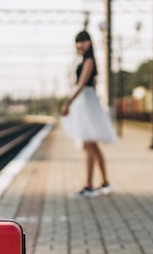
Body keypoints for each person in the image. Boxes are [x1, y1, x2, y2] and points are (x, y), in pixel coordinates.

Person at [61, 30, 118, 198]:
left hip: (85, 103)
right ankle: (104, 182)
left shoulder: (89, 60)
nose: (80, 45)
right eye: (78, 42)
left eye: (83, 41)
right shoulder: (87, 60)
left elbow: (81, 84)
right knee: (92, 145)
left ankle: (88, 186)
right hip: (87, 102)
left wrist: (68, 103)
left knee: (89, 144)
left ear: (90, 42)